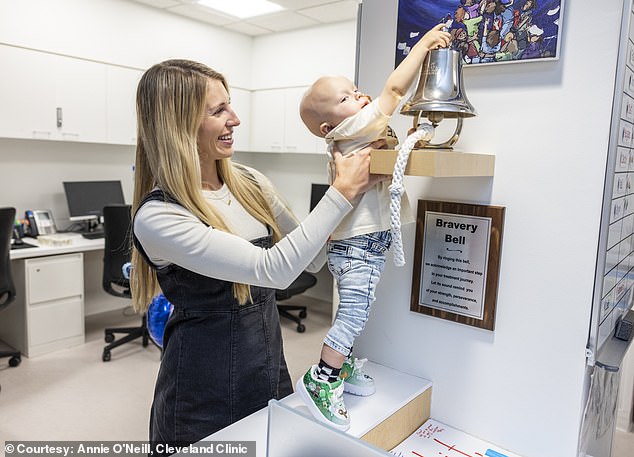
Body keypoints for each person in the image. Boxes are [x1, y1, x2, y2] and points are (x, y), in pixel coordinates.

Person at [129, 59, 385, 447]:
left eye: (230, 105)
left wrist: (359, 193)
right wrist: (343, 191)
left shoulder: (250, 183)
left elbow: (309, 260)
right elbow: (274, 270)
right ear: (178, 125)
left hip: (267, 370)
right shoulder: (159, 215)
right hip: (201, 394)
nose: (235, 119)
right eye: (218, 110)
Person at [296, 23, 451, 431]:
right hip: (360, 245)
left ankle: (341, 369)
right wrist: (422, 46)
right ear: (330, 127)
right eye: (347, 98)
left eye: (356, 89)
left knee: (358, 310)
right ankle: (322, 378)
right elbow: (396, 91)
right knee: (352, 315)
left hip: (362, 243)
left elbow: (381, 172)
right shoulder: (352, 129)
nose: (362, 97)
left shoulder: (354, 132)